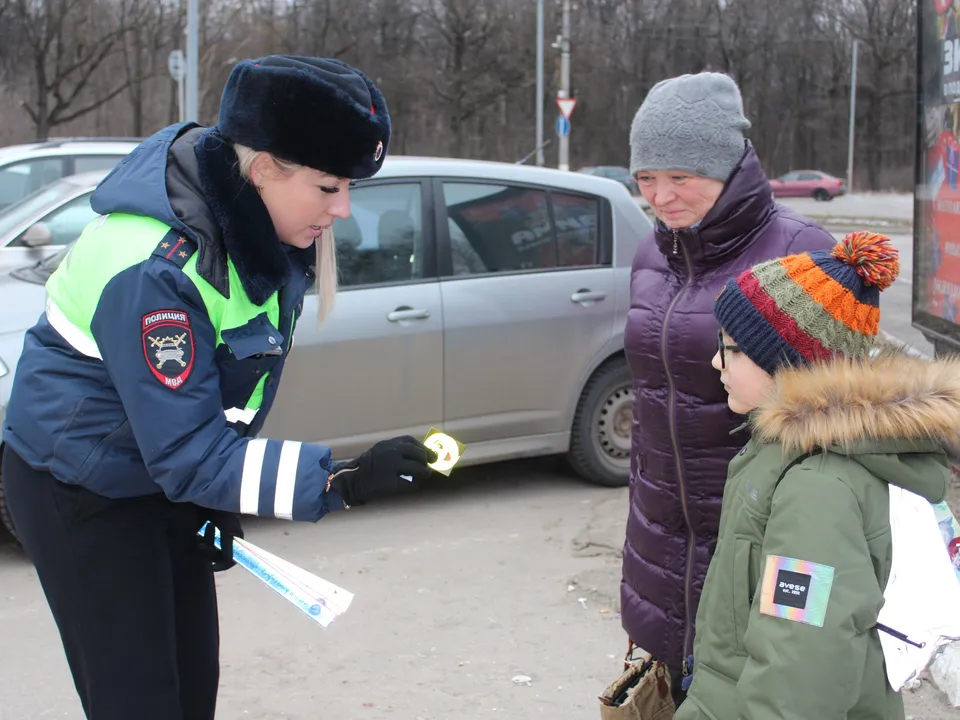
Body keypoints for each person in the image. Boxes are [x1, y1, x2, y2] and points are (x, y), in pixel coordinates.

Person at [0, 55, 437, 720]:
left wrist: (212, 496)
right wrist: (338, 479)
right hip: (80, 489)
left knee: (191, 688)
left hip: (154, 476)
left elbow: (213, 406)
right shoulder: (157, 270)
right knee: (141, 702)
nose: (344, 209)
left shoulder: (253, 230)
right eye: (329, 187)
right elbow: (188, 451)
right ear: (263, 168)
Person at [674, 231, 958, 719]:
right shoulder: (783, 452)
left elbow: (802, 669)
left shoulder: (817, 489)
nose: (716, 360)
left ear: (788, 367)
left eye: (731, 348)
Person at [620, 71, 835, 705]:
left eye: (680, 177)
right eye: (645, 179)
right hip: (659, 544)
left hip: (753, 542)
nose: (661, 196)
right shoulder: (650, 256)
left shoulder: (801, 250)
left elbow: (831, 420)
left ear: (728, 165)